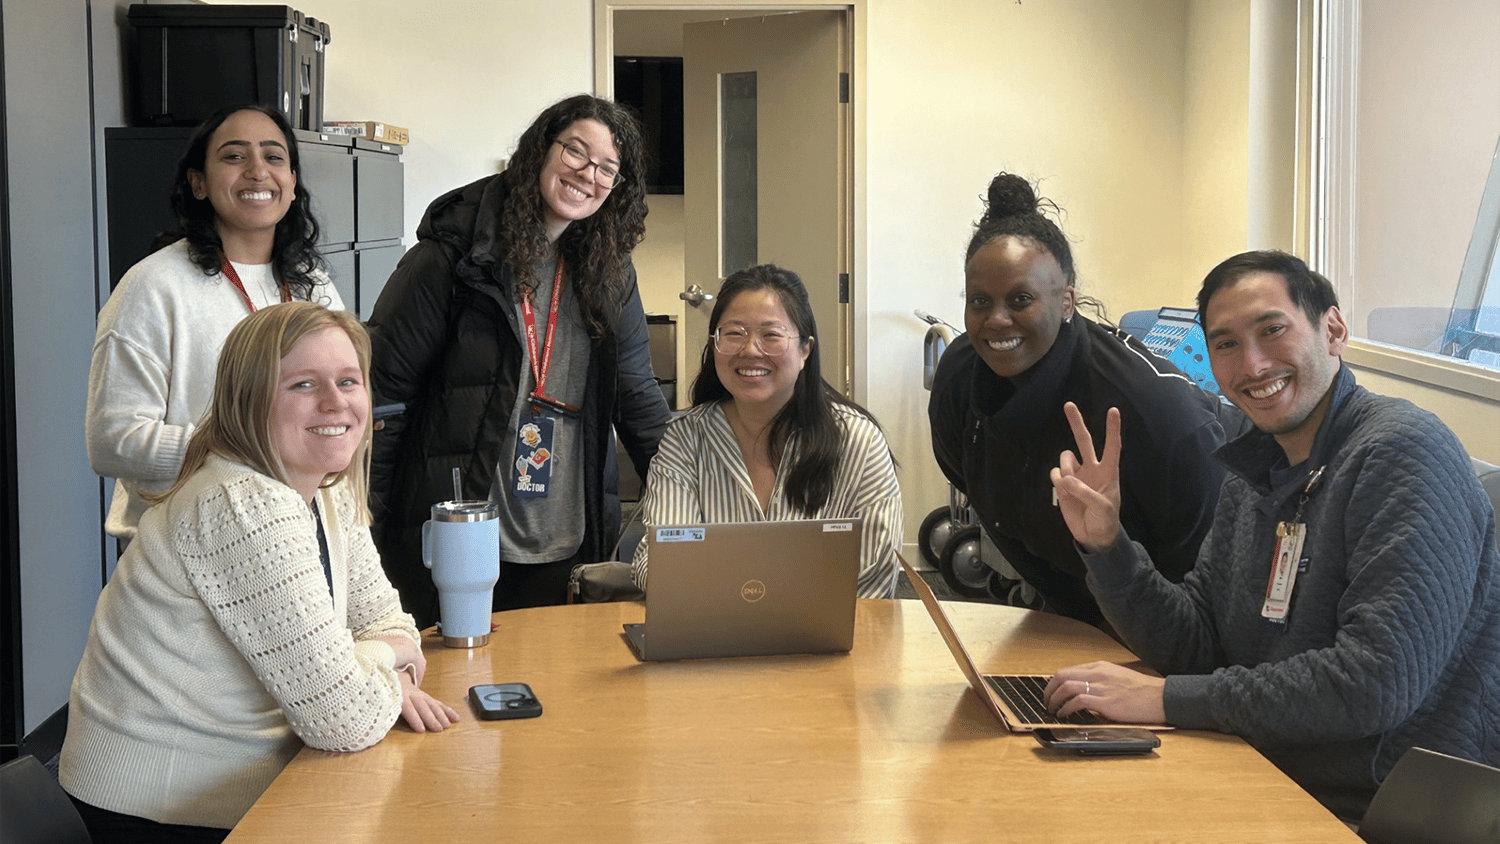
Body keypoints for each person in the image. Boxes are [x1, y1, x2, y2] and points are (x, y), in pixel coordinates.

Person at [1043, 250, 1500, 820]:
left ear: (1332, 330)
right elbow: (1198, 644)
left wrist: (1165, 698)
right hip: (1258, 768)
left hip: (1373, 809)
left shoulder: (1404, 453)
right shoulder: (1256, 471)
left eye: (1272, 330)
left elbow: (1373, 684)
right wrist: (1107, 547)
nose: (1253, 365)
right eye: (1227, 344)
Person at [61, 303, 458, 842]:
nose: (335, 402)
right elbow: (344, 717)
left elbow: (388, 618)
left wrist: (365, 670)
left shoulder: (323, 486)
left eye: (348, 380)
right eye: (302, 384)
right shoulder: (239, 503)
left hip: (247, 780)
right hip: (159, 808)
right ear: (249, 400)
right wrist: (384, 660)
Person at [368, 94, 671, 625]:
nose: (588, 174)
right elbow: (382, 398)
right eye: (576, 151)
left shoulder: (610, 274)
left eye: (608, 169)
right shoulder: (454, 257)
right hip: (457, 537)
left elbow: (639, 399)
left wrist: (691, 502)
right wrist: (365, 521)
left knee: (554, 694)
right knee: (456, 695)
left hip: (564, 538)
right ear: (540, 150)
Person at [928, 172, 1240, 625]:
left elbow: (1202, 594)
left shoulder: (1157, 415)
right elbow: (983, 496)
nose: (996, 320)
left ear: (1067, 301)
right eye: (979, 301)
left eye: (1020, 299)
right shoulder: (958, 378)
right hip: (1072, 607)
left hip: (1186, 603)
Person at [87, 104, 344, 543]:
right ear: (199, 183)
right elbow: (112, 440)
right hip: (183, 552)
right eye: (234, 156)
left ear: (293, 181)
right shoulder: (153, 286)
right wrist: (248, 446)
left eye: (273, 156)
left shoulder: (312, 286)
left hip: (297, 538)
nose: (258, 171)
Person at [630, 264, 902, 598]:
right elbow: (660, 563)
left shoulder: (858, 441)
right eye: (734, 334)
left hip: (826, 642)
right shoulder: (685, 439)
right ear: (714, 344)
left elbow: (873, 574)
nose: (750, 350)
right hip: (713, 639)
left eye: (770, 335)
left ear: (805, 349)